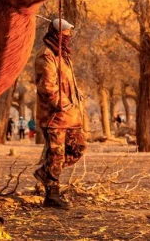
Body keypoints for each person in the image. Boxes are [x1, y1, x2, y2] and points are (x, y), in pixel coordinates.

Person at [33, 18, 85, 209]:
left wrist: (76, 103)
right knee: (56, 155)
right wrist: (63, 105)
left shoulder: (63, 55)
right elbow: (47, 87)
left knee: (78, 147)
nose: (69, 36)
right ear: (57, 33)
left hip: (70, 116)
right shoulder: (46, 55)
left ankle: (45, 173)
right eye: (66, 33)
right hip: (55, 116)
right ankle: (52, 195)